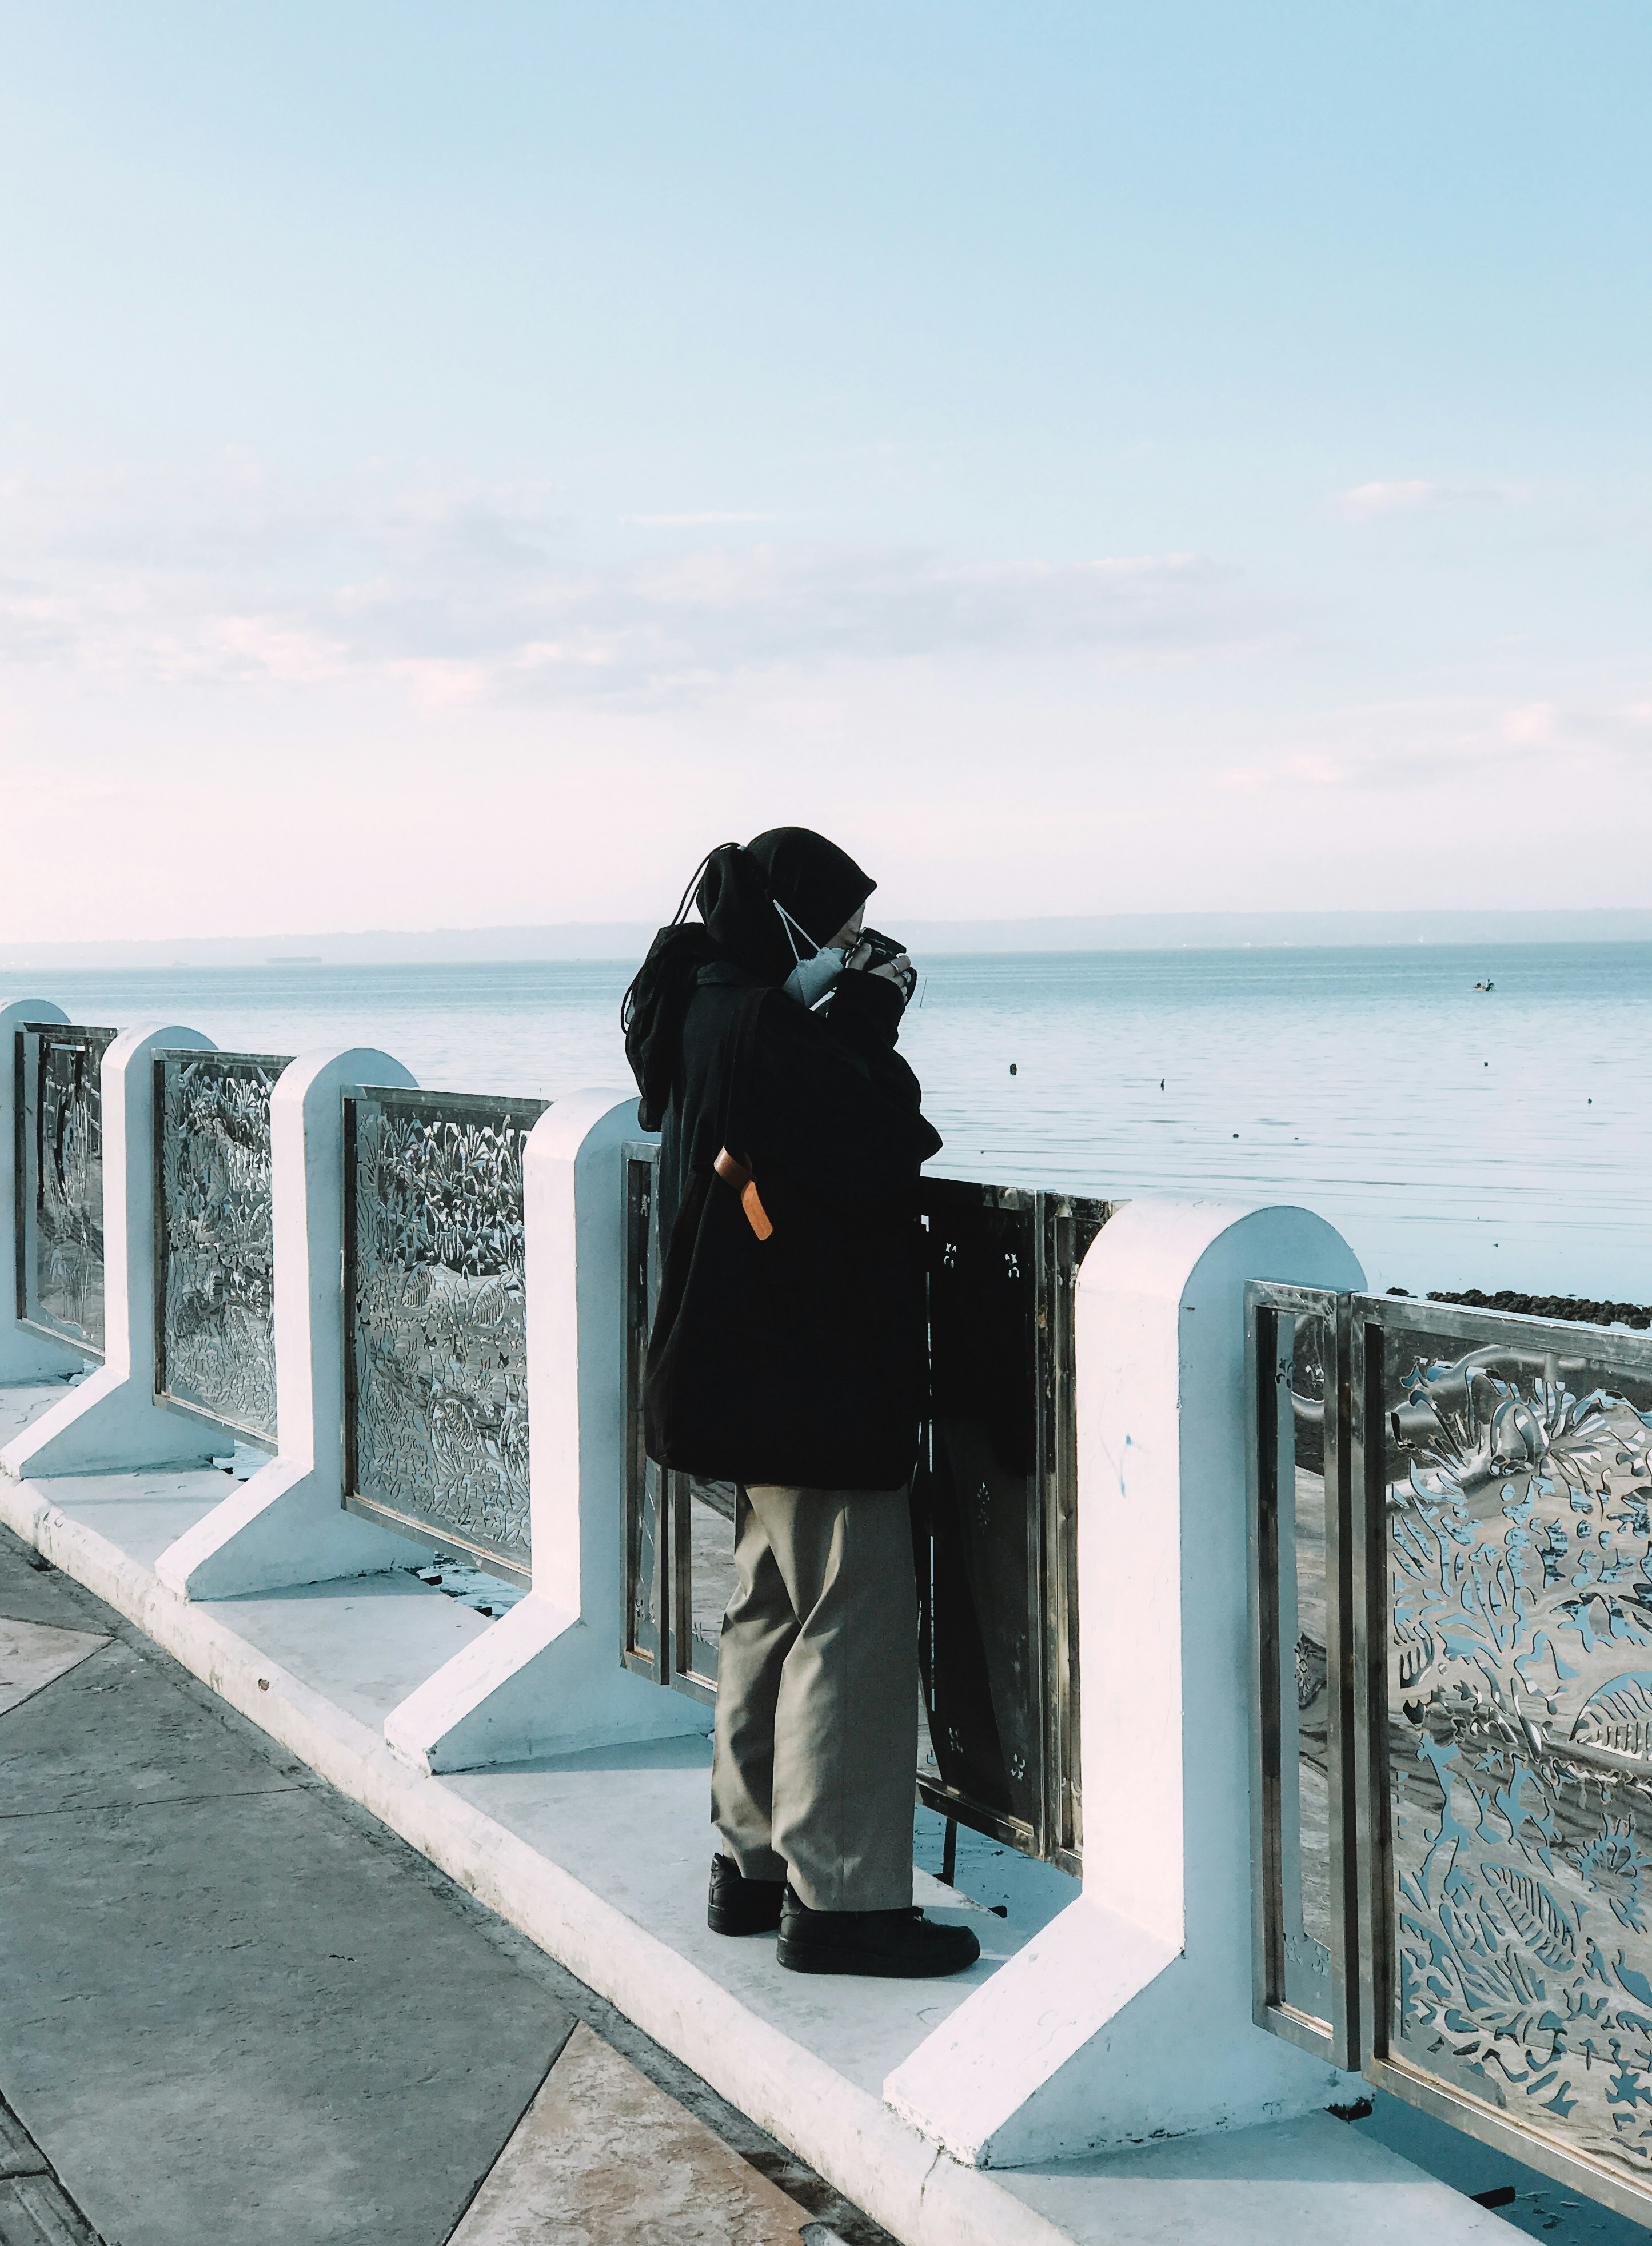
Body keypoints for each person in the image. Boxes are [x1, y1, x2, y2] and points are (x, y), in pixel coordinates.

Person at [622, 827, 980, 1979]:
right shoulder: (765, 1023)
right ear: (787, 922)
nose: (852, 950)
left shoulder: (704, 1008)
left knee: (770, 1607)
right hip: (809, 1373)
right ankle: (841, 1901)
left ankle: (752, 1863)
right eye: (839, 931)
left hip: (739, 1367)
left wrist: (830, 1011)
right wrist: (870, 1023)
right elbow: (882, 1144)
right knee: (849, 1625)